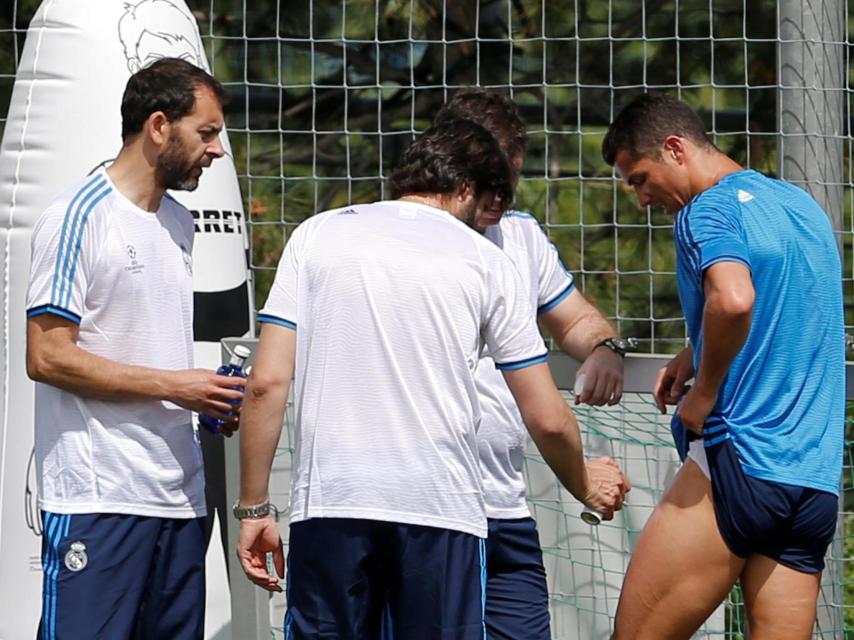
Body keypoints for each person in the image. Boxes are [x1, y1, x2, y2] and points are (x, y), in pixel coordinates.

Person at [235, 119, 629, 639]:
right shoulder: (487, 262)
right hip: (441, 509)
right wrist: (583, 484)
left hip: (331, 503)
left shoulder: (317, 233)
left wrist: (255, 506)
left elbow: (266, 383)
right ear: (465, 187)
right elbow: (546, 416)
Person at [602, 92, 844, 640]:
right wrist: (696, 349)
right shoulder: (800, 206)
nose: (641, 198)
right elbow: (793, 303)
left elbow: (734, 298)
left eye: (639, 178)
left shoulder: (706, 210)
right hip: (811, 485)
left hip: (739, 463)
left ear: (674, 149)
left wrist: (705, 389)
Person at [25, 57, 243, 639]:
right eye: (208, 132)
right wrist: (180, 386)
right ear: (158, 126)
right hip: (101, 499)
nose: (218, 150)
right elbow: (46, 357)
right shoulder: (77, 216)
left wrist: (206, 398)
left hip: (179, 501)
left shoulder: (178, 221)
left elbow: (147, 348)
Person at [434, 89, 632, 639]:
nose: (503, 195)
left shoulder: (520, 236)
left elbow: (573, 319)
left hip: (506, 504)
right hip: (430, 507)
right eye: (490, 179)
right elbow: (547, 417)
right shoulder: (408, 240)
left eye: (511, 178)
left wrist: (606, 347)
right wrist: (583, 478)